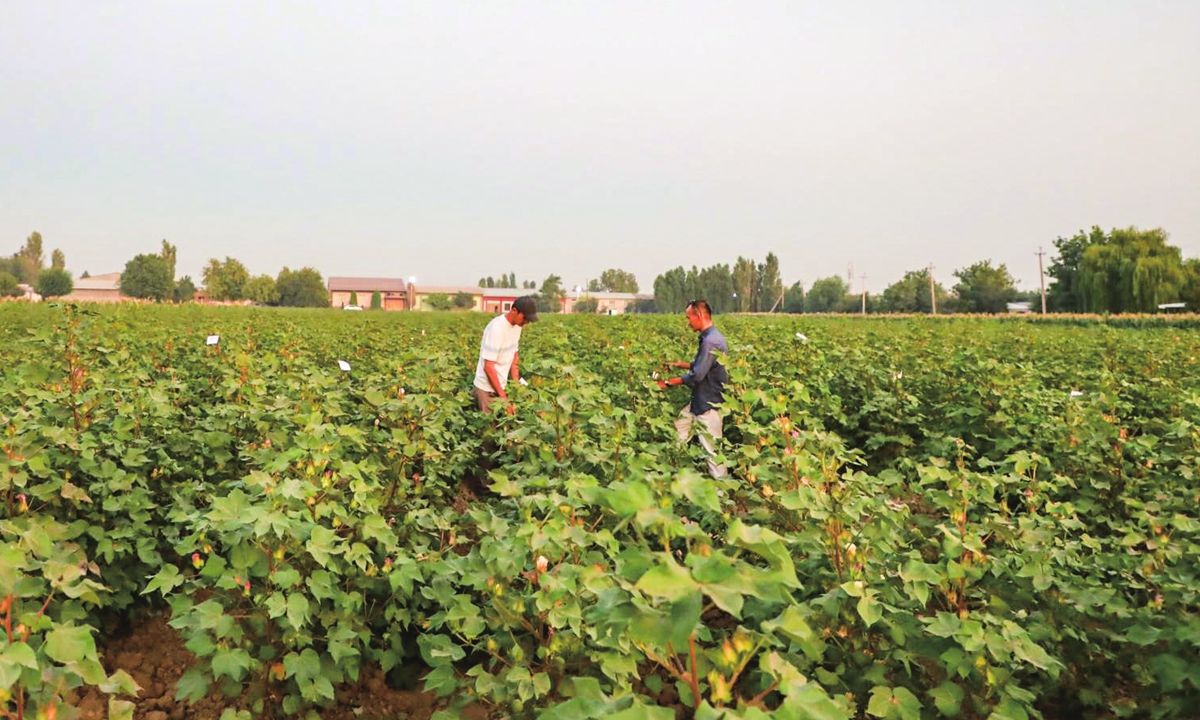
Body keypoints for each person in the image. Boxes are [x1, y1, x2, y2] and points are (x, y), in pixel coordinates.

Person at [657, 299, 728, 478]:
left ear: (699, 315)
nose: (688, 322)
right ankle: (673, 474)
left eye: (689, 317)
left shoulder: (710, 342)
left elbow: (697, 375)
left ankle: (722, 497)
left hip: (709, 405)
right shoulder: (711, 337)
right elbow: (702, 366)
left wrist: (667, 383)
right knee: (678, 432)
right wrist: (680, 364)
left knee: (713, 454)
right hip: (699, 402)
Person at [474, 296, 538, 415]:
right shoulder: (497, 328)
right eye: (525, 318)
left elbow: (514, 356)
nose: (526, 322)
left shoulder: (517, 326)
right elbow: (488, 367)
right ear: (514, 311)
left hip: (500, 386)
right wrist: (503, 398)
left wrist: (515, 386)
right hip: (486, 389)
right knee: (490, 428)